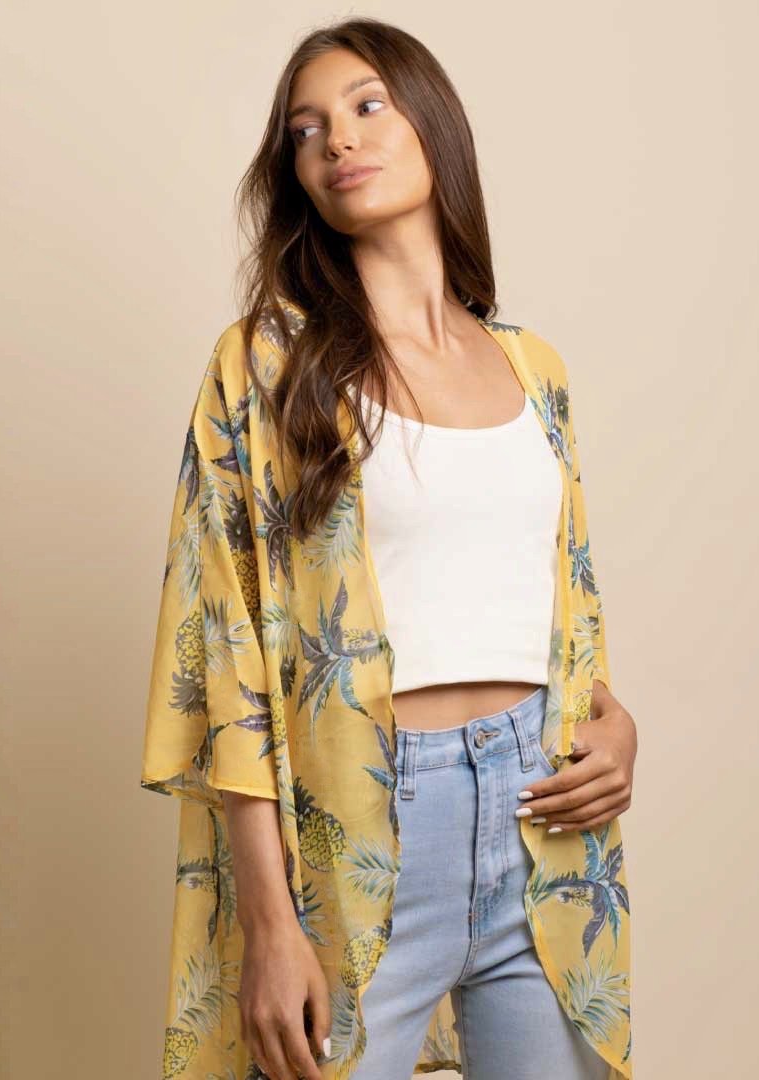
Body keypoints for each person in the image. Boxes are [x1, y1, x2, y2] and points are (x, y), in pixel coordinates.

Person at [140, 16, 638, 1080]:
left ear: (433, 126)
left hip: (543, 822)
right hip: (362, 824)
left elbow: (561, 603)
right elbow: (223, 651)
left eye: (367, 105)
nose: (337, 139)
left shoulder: (534, 368)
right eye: (306, 129)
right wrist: (269, 924)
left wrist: (616, 724)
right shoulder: (265, 366)